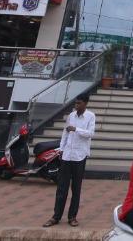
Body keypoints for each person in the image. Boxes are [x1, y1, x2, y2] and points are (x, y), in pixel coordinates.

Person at [44, 92, 95, 228]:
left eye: (79, 103)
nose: (76, 105)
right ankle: (56, 217)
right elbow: (65, 133)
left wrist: (76, 129)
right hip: (67, 155)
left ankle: (72, 217)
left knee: (76, 188)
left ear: (85, 103)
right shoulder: (71, 116)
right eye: (76, 103)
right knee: (61, 188)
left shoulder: (90, 116)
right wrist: (61, 149)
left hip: (80, 156)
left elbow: (90, 134)